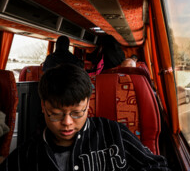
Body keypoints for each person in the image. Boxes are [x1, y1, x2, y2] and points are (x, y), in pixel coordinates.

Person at [0, 64, 170, 171]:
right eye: (56, 114)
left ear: (88, 105)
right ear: (43, 107)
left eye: (76, 113)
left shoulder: (115, 133)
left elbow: (156, 166)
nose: (67, 123)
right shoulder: (26, 155)